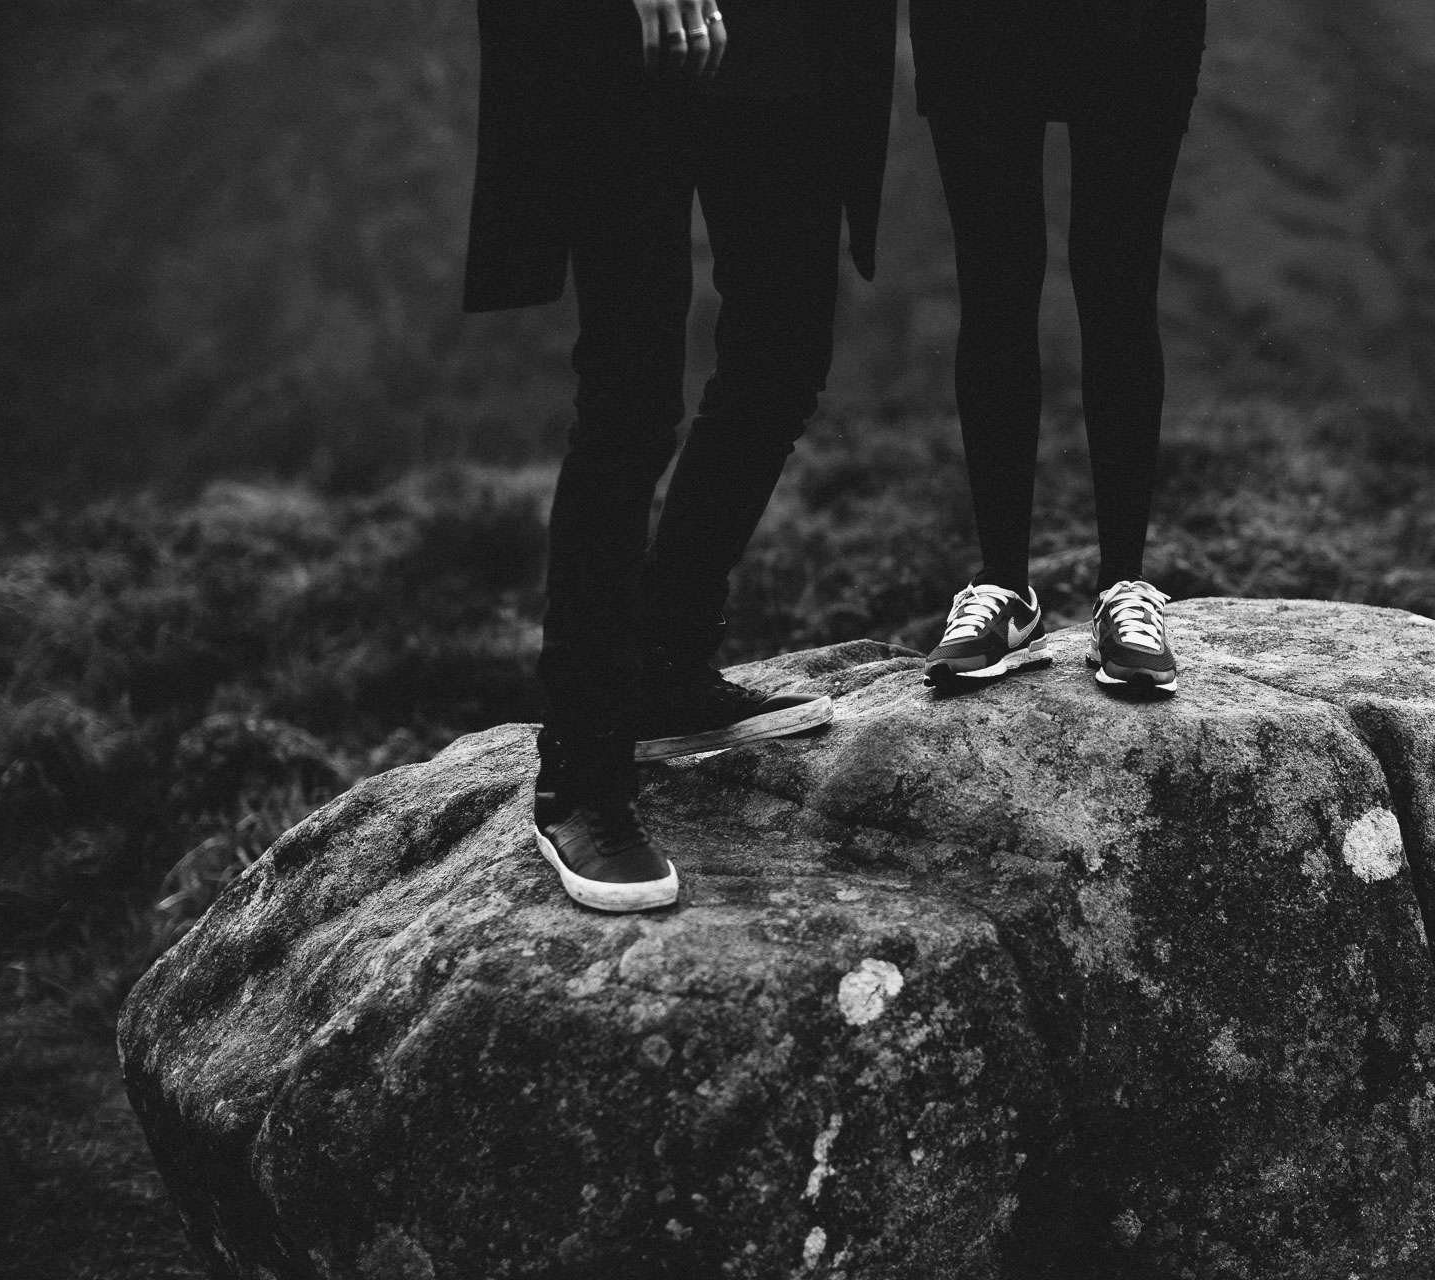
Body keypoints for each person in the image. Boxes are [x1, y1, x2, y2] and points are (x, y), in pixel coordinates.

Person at [462, 0, 898, 910]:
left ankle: (663, 666)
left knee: (779, 368)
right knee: (630, 398)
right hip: (628, 44)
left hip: (790, 41)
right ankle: (581, 766)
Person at [909, 0, 1204, 694]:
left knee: (1120, 283)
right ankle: (1004, 590)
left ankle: (1123, 590)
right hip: (975, 24)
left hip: (1133, 25)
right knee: (994, 285)